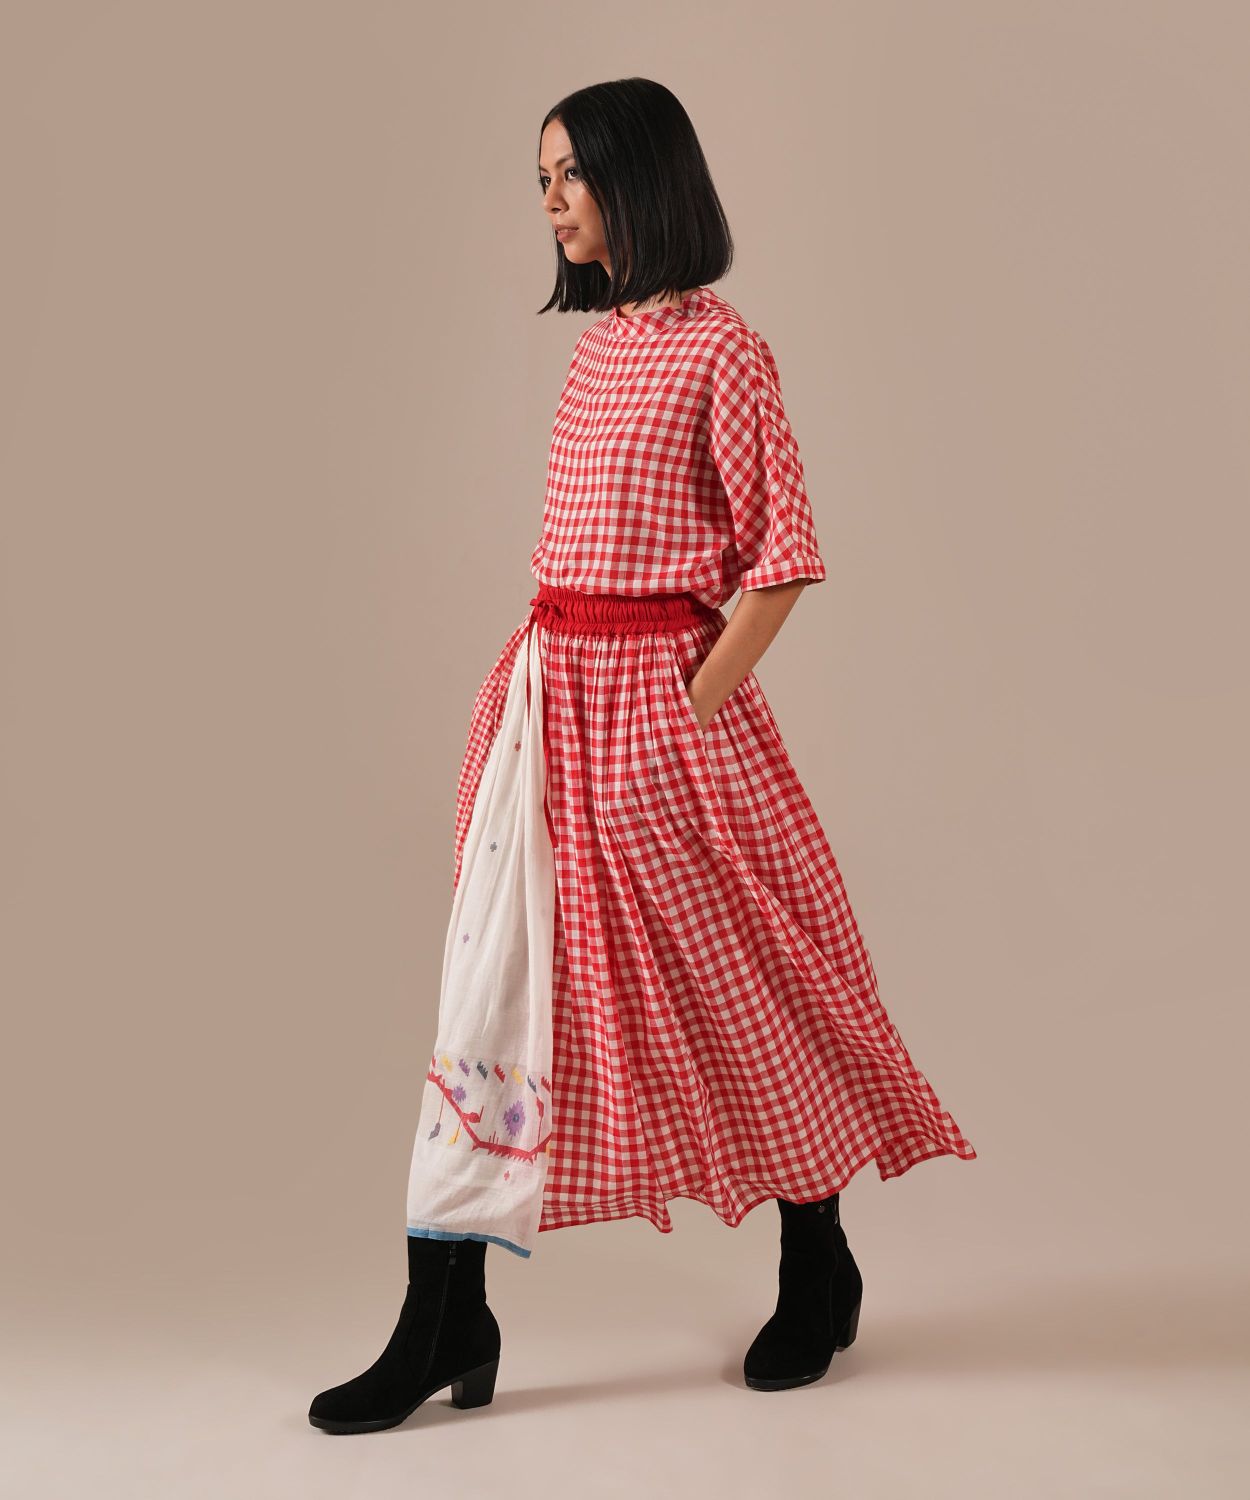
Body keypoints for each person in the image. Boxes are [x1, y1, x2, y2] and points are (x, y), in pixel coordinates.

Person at [308, 77, 976, 1434]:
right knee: (488, 998)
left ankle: (817, 1262)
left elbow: (780, 563)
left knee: (749, 991)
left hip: (659, 724)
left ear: (640, 177)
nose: (549, 201)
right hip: (548, 703)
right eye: (540, 178)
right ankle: (446, 1312)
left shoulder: (725, 352)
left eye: (569, 174)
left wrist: (684, 713)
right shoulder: (601, 345)